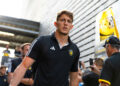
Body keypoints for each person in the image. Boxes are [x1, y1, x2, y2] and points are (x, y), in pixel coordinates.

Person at [9, 10, 80, 86]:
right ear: (56, 24)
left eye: (69, 21)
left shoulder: (75, 49)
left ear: (71, 26)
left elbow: (74, 77)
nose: (66, 23)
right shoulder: (42, 41)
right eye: (63, 20)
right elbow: (23, 66)